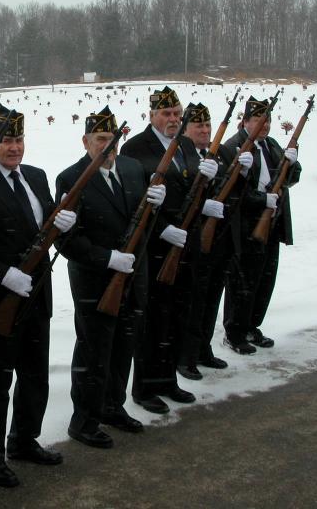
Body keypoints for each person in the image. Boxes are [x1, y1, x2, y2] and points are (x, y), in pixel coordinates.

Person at [0, 105, 76, 488]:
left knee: (34, 375)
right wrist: (3, 275)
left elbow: (41, 232)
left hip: (36, 295)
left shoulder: (36, 177)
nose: (13, 147)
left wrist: (61, 224)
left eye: (18, 139)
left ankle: (24, 440)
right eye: (6, 140)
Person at [56, 107, 166, 449]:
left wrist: (157, 206)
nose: (109, 146)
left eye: (113, 139)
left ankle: (112, 406)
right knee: (93, 353)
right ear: (86, 140)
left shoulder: (133, 169)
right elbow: (66, 240)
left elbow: (143, 224)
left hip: (133, 276)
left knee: (123, 347)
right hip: (95, 281)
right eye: (101, 139)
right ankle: (84, 420)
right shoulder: (71, 178)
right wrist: (107, 259)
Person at [120, 88, 217, 410]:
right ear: (152, 116)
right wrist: (163, 229)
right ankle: (145, 389)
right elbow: (135, 200)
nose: (173, 119)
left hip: (186, 243)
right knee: (152, 318)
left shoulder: (187, 144)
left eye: (176, 113)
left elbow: (193, 194)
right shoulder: (135, 148)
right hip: (154, 246)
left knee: (178, 314)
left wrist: (209, 181)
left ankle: (168, 380)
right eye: (166, 114)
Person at [222, 96, 301, 354]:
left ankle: (252, 326)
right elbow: (231, 191)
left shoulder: (271, 144)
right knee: (241, 282)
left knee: (264, 280)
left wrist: (293, 162)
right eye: (257, 119)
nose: (263, 125)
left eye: (267, 120)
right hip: (245, 226)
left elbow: (290, 179)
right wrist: (261, 200)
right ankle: (234, 332)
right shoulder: (234, 147)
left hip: (271, 224)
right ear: (244, 121)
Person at [182, 102, 254, 372]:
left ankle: (204, 349)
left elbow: (237, 194)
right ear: (186, 129)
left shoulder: (222, 151)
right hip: (195, 241)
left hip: (222, 239)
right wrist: (204, 206)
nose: (204, 130)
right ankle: (185, 356)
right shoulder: (182, 154)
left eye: (207, 125)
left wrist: (244, 173)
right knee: (193, 301)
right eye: (198, 125)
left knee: (212, 299)